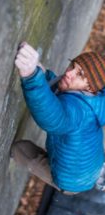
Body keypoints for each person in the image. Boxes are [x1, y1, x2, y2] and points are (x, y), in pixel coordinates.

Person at [12, 41, 105, 194]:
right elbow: (61, 90)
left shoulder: (77, 114)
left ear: (91, 88)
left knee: (20, 149)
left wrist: (31, 76)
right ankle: (97, 175)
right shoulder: (98, 99)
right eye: (72, 66)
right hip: (92, 164)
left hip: (72, 181)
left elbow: (53, 116)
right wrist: (41, 73)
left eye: (79, 74)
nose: (69, 73)